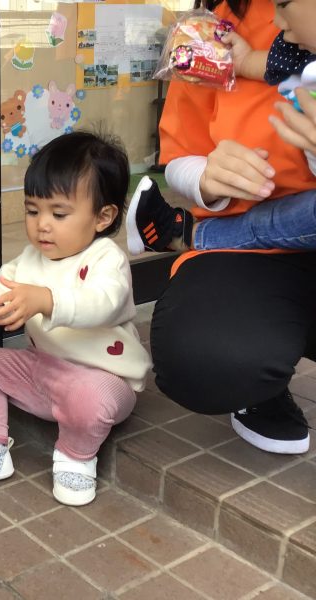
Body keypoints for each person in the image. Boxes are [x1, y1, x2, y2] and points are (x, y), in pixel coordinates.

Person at [138, 0, 316, 456]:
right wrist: (206, 178)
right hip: (253, 255)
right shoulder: (215, 29)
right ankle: (257, 385)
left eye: (286, 6)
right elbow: (178, 154)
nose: (277, 22)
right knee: (207, 357)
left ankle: (187, 233)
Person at [0, 132, 152, 507]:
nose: (42, 225)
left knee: (91, 397)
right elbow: (1, 285)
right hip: (43, 370)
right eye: (33, 211)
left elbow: (102, 302)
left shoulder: (106, 259)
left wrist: (46, 300)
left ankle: (75, 456)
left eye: (59, 213)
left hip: (102, 379)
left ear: (103, 217)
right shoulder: (30, 258)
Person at [126, 32, 315, 253]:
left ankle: (191, 235)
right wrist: (203, 177)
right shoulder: (211, 35)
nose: (281, 26)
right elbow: (289, 62)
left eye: (285, 11)